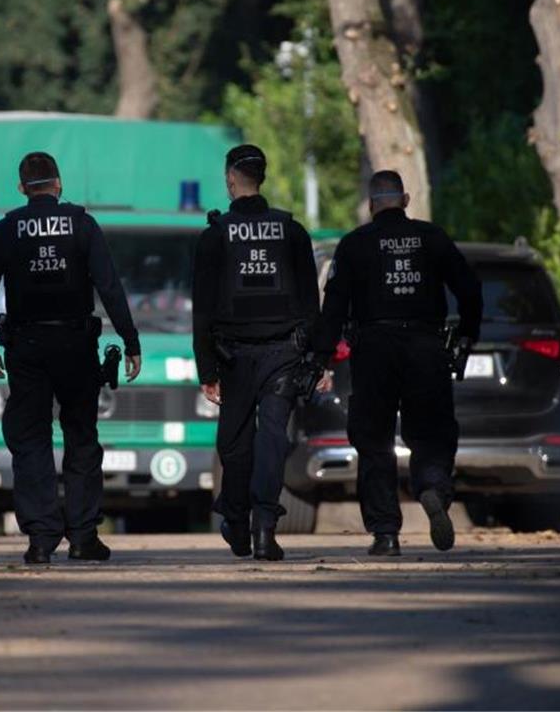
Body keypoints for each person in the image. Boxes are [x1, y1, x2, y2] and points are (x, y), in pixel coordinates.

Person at [0, 151, 142, 565]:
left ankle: (41, 539)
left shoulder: (5, 230)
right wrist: (130, 340)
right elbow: (110, 286)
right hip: (76, 347)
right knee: (81, 436)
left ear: (21, 188)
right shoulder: (82, 224)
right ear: (59, 183)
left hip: (26, 349)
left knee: (30, 439)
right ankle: (83, 537)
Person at [314, 170, 482, 556]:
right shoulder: (431, 237)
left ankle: (386, 533)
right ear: (405, 201)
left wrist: (321, 357)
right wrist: (468, 331)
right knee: (432, 431)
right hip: (425, 344)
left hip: (373, 348)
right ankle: (432, 486)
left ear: (372, 204)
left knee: (374, 441)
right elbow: (468, 287)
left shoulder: (355, 244)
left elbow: (334, 306)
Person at [192, 144, 323, 561]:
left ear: (231, 179)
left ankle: (236, 517)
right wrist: (315, 359)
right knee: (271, 441)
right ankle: (264, 526)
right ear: (261, 178)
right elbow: (310, 304)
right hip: (284, 354)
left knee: (234, 444)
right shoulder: (291, 230)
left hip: (233, 358)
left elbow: (203, 310)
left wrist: (206, 370)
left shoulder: (216, 235)